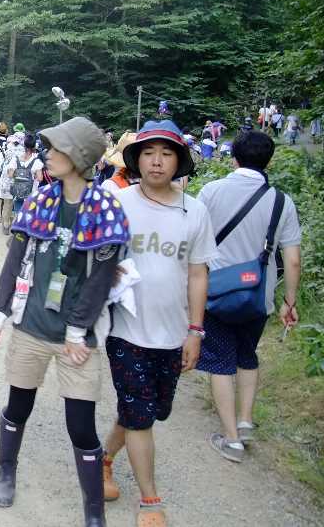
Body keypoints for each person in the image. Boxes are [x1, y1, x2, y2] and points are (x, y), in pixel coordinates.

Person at [0, 117, 129, 527]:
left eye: (57, 147)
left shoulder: (105, 208)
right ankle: (6, 470)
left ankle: (93, 508)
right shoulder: (39, 200)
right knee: (18, 406)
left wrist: (76, 329)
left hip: (77, 339)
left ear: (80, 156)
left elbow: (101, 279)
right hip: (31, 326)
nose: (47, 153)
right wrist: (0, 310)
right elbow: (15, 258)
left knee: (81, 426)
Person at [98, 121, 216, 527]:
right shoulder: (119, 201)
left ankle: (103, 459)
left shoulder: (194, 210)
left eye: (166, 153)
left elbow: (198, 273)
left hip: (173, 332)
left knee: (148, 409)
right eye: (149, 153)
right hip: (125, 329)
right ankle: (150, 501)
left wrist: (196, 331)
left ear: (178, 161)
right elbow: (94, 253)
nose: (156, 161)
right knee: (140, 413)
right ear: (137, 159)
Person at [196, 131, 301, 462]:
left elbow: (193, 237)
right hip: (259, 297)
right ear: (268, 161)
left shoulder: (212, 191)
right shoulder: (282, 201)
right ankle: (244, 422)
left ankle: (231, 440)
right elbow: (293, 258)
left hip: (216, 294)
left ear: (234, 158)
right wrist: (289, 301)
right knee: (247, 356)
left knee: (221, 360)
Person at [6, 134, 44, 217]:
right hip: (31, 194)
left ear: (24, 145)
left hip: (18, 193)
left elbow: (10, 175)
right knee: (28, 215)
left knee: (17, 214)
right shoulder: (37, 162)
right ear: (34, 147)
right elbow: (40, 178)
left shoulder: (16, 159)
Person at [0, 135, 23, 232]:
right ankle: (14, 223)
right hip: (20, 180)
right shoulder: (24, 152)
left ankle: (6, 224)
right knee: (17, 203)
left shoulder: (5, 151)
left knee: (7, 203)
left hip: (7, 180)